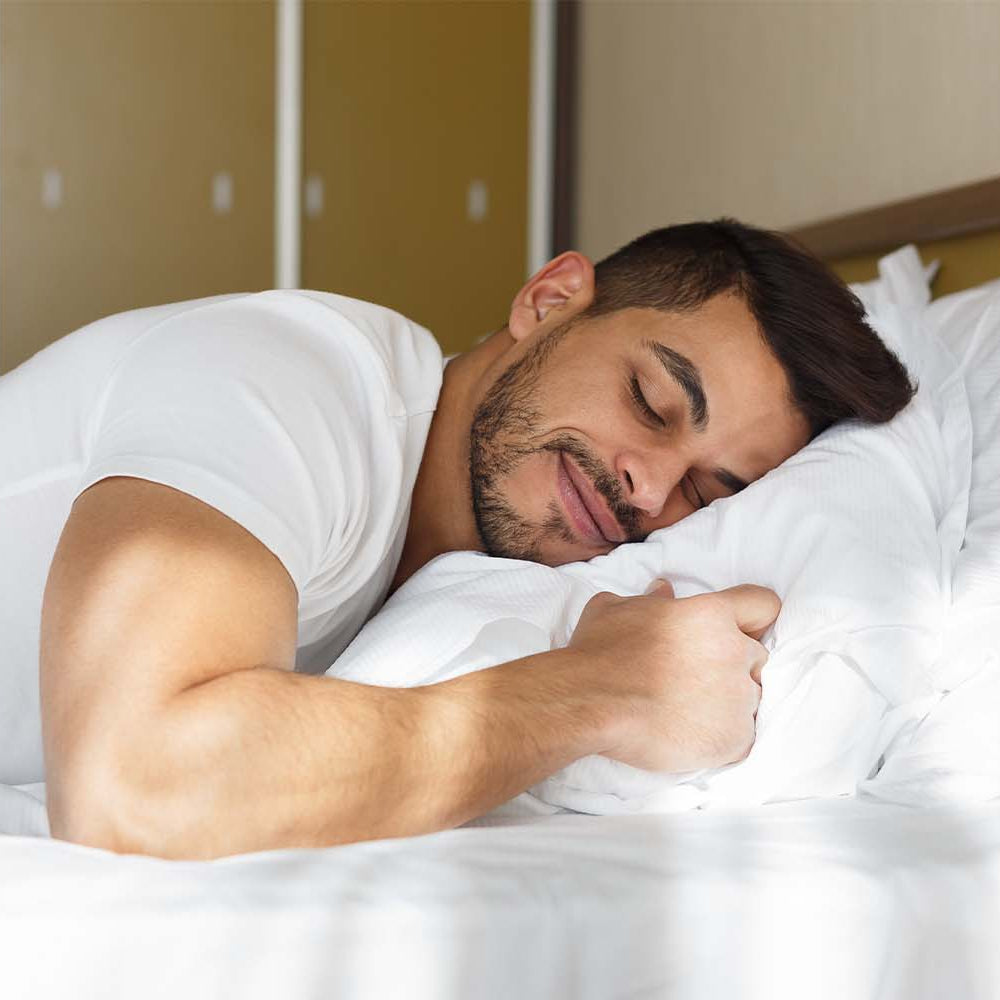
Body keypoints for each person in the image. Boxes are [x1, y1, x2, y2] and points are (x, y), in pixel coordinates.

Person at [0, 220, 914, 859]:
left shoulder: (453, 586)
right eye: (651, 401)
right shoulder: (290, 379)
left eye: (710, 492)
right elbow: (136, 785)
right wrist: (605, 690)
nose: (650, 486)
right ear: (550, 300)